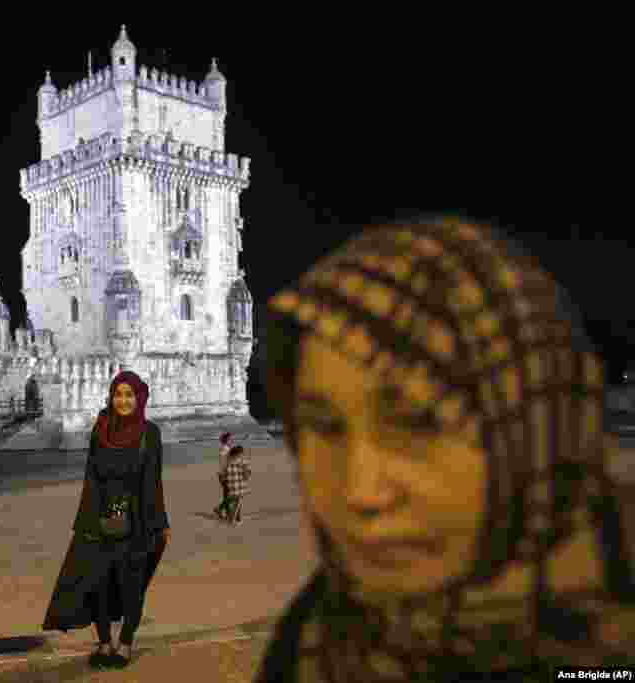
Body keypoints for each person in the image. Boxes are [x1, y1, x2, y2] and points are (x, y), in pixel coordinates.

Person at [255, 217, 634, 682]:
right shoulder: (314, 637)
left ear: (536, 421)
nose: (360, 492)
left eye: (419, 420)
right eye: (322, 425)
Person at [42, 371, 171, 670]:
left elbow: (153, 482)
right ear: (111, 397)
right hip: (99, 518)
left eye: (129, 395)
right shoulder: (100, 430)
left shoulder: (150, 433)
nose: (123, 401)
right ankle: (103, 642)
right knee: (97, 584)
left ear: (139, 398)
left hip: (137, 519)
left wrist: (160, 523)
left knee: (132, 586)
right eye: (118, 394)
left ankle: (125, 643)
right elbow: (91, 478)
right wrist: (85, 523)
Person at [224, 445, 250, 525]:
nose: (243, 454)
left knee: (236, 501)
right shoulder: (242, 461)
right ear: (239, 453)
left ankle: (235, 518)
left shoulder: (229, 461)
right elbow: (246, 474)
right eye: (242, 453)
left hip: (231, 483)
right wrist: (247, 475)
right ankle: (233, 519)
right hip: (239, 483)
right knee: (238, 502)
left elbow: (226, 473)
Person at [214, 431, 234, 520]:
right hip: (225, 475)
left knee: (227, 495)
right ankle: (220, 509)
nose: (232, 440)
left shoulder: (225, 449)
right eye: (230, 439)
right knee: (231, 495)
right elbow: (226, 464)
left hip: (223, 475)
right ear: (226, 440)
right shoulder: (225, 450)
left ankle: (226, 513)